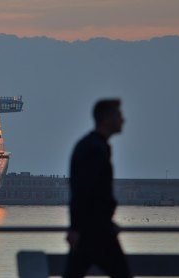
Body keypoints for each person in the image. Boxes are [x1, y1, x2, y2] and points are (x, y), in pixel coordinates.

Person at [64, 99, 132, 278]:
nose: (123, 120)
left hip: (92, 230)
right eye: (118, 115)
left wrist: (76, 227)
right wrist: (76, 228)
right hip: (95, 232)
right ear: (106, 119)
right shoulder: (94, 149)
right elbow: (83, 191)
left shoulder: (93, 145)